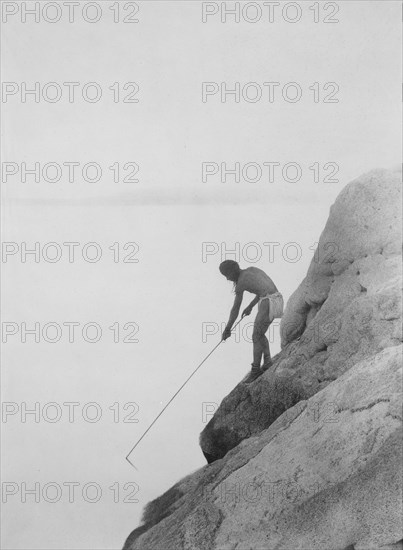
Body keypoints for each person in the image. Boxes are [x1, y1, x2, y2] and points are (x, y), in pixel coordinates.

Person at [219, 260, 284, 384]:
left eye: (227, 275)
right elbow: (263, 289)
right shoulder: (252, 269)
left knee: (256, 335)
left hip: (268, 302)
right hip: (277, 299)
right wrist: (250, 306)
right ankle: (268, 361)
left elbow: (235, 308)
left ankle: (255, 371)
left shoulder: (241, 283)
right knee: (260, 334)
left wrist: (227, 328)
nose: (227, 279)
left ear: (232, 271)